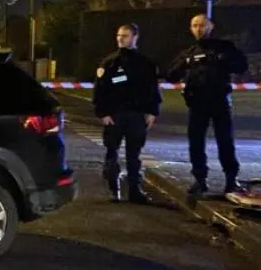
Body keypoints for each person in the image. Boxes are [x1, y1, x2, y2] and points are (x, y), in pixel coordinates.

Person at [166, 13, 248, 196]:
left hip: (219, 100)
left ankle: (231, 179)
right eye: (194, 26)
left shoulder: (224, 47)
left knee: (225, 141)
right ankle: (199, 179)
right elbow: (171, 75)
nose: (198, 29)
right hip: (197, 103)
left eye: (202, 25)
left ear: (210, 26)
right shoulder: (189, 52)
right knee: (196, 143)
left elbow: (241, 66)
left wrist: (221, 59)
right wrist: (186, 64)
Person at [93, 23, 161, 203]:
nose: (120, 39)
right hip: (115, 115)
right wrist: (102, 113)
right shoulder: (110, 62)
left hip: (136, 115)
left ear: (135, 37)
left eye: (125, 36)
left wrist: (152, 112)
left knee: (134, 155)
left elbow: (152, 89)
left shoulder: (145, 63)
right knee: (111, 153)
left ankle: (134, 190)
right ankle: (113, 189)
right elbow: (100, 90)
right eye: (118, 35)